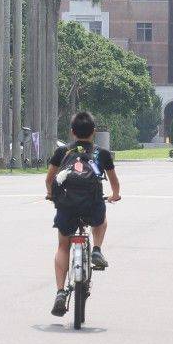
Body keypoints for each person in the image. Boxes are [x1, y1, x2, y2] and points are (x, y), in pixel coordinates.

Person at [46, 112, 121, 317]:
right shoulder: (102, 154)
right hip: (92, 206)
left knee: (63, 245)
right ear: (94, 132)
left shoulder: (62, 152)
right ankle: (96, 249)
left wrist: (51, 195)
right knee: (101, 221)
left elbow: (50, 178)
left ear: (72, 132)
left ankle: (61, 292)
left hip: (67, 206)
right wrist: (115, 195)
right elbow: (114, 182)